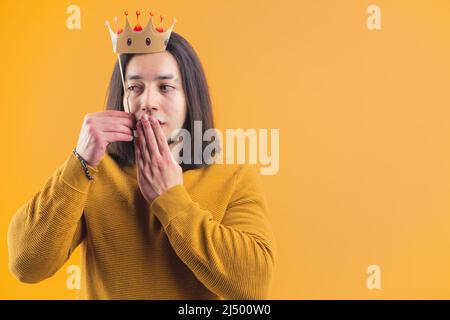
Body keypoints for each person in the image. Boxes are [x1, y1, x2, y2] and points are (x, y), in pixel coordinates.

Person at [7, 31, 275, 299]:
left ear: (190, 98)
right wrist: (80, 161)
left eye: (165, 87)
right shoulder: (94, 172)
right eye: (135, 88)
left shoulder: (233, 176)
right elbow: (26, 265)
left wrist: (170, 198)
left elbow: (253, 287)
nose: (147, 102)